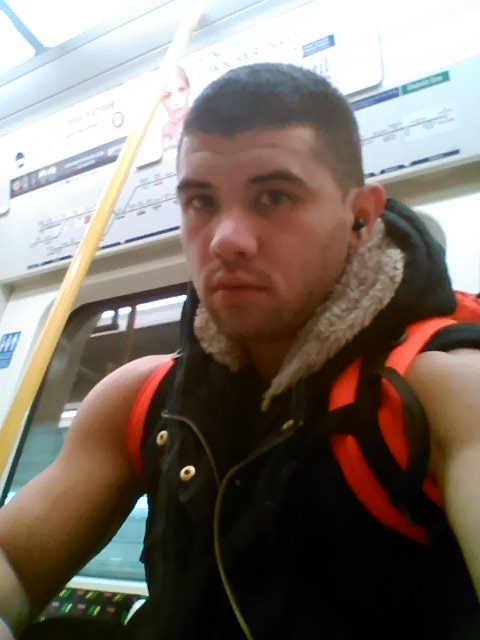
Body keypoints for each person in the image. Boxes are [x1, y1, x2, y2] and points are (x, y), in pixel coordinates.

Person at [0, 62, 480, 640]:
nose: (226, 240)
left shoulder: (437, 393)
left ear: (360, 217)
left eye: (273, 196)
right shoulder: (142, 400)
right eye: (201, 202)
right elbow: (14, 562)